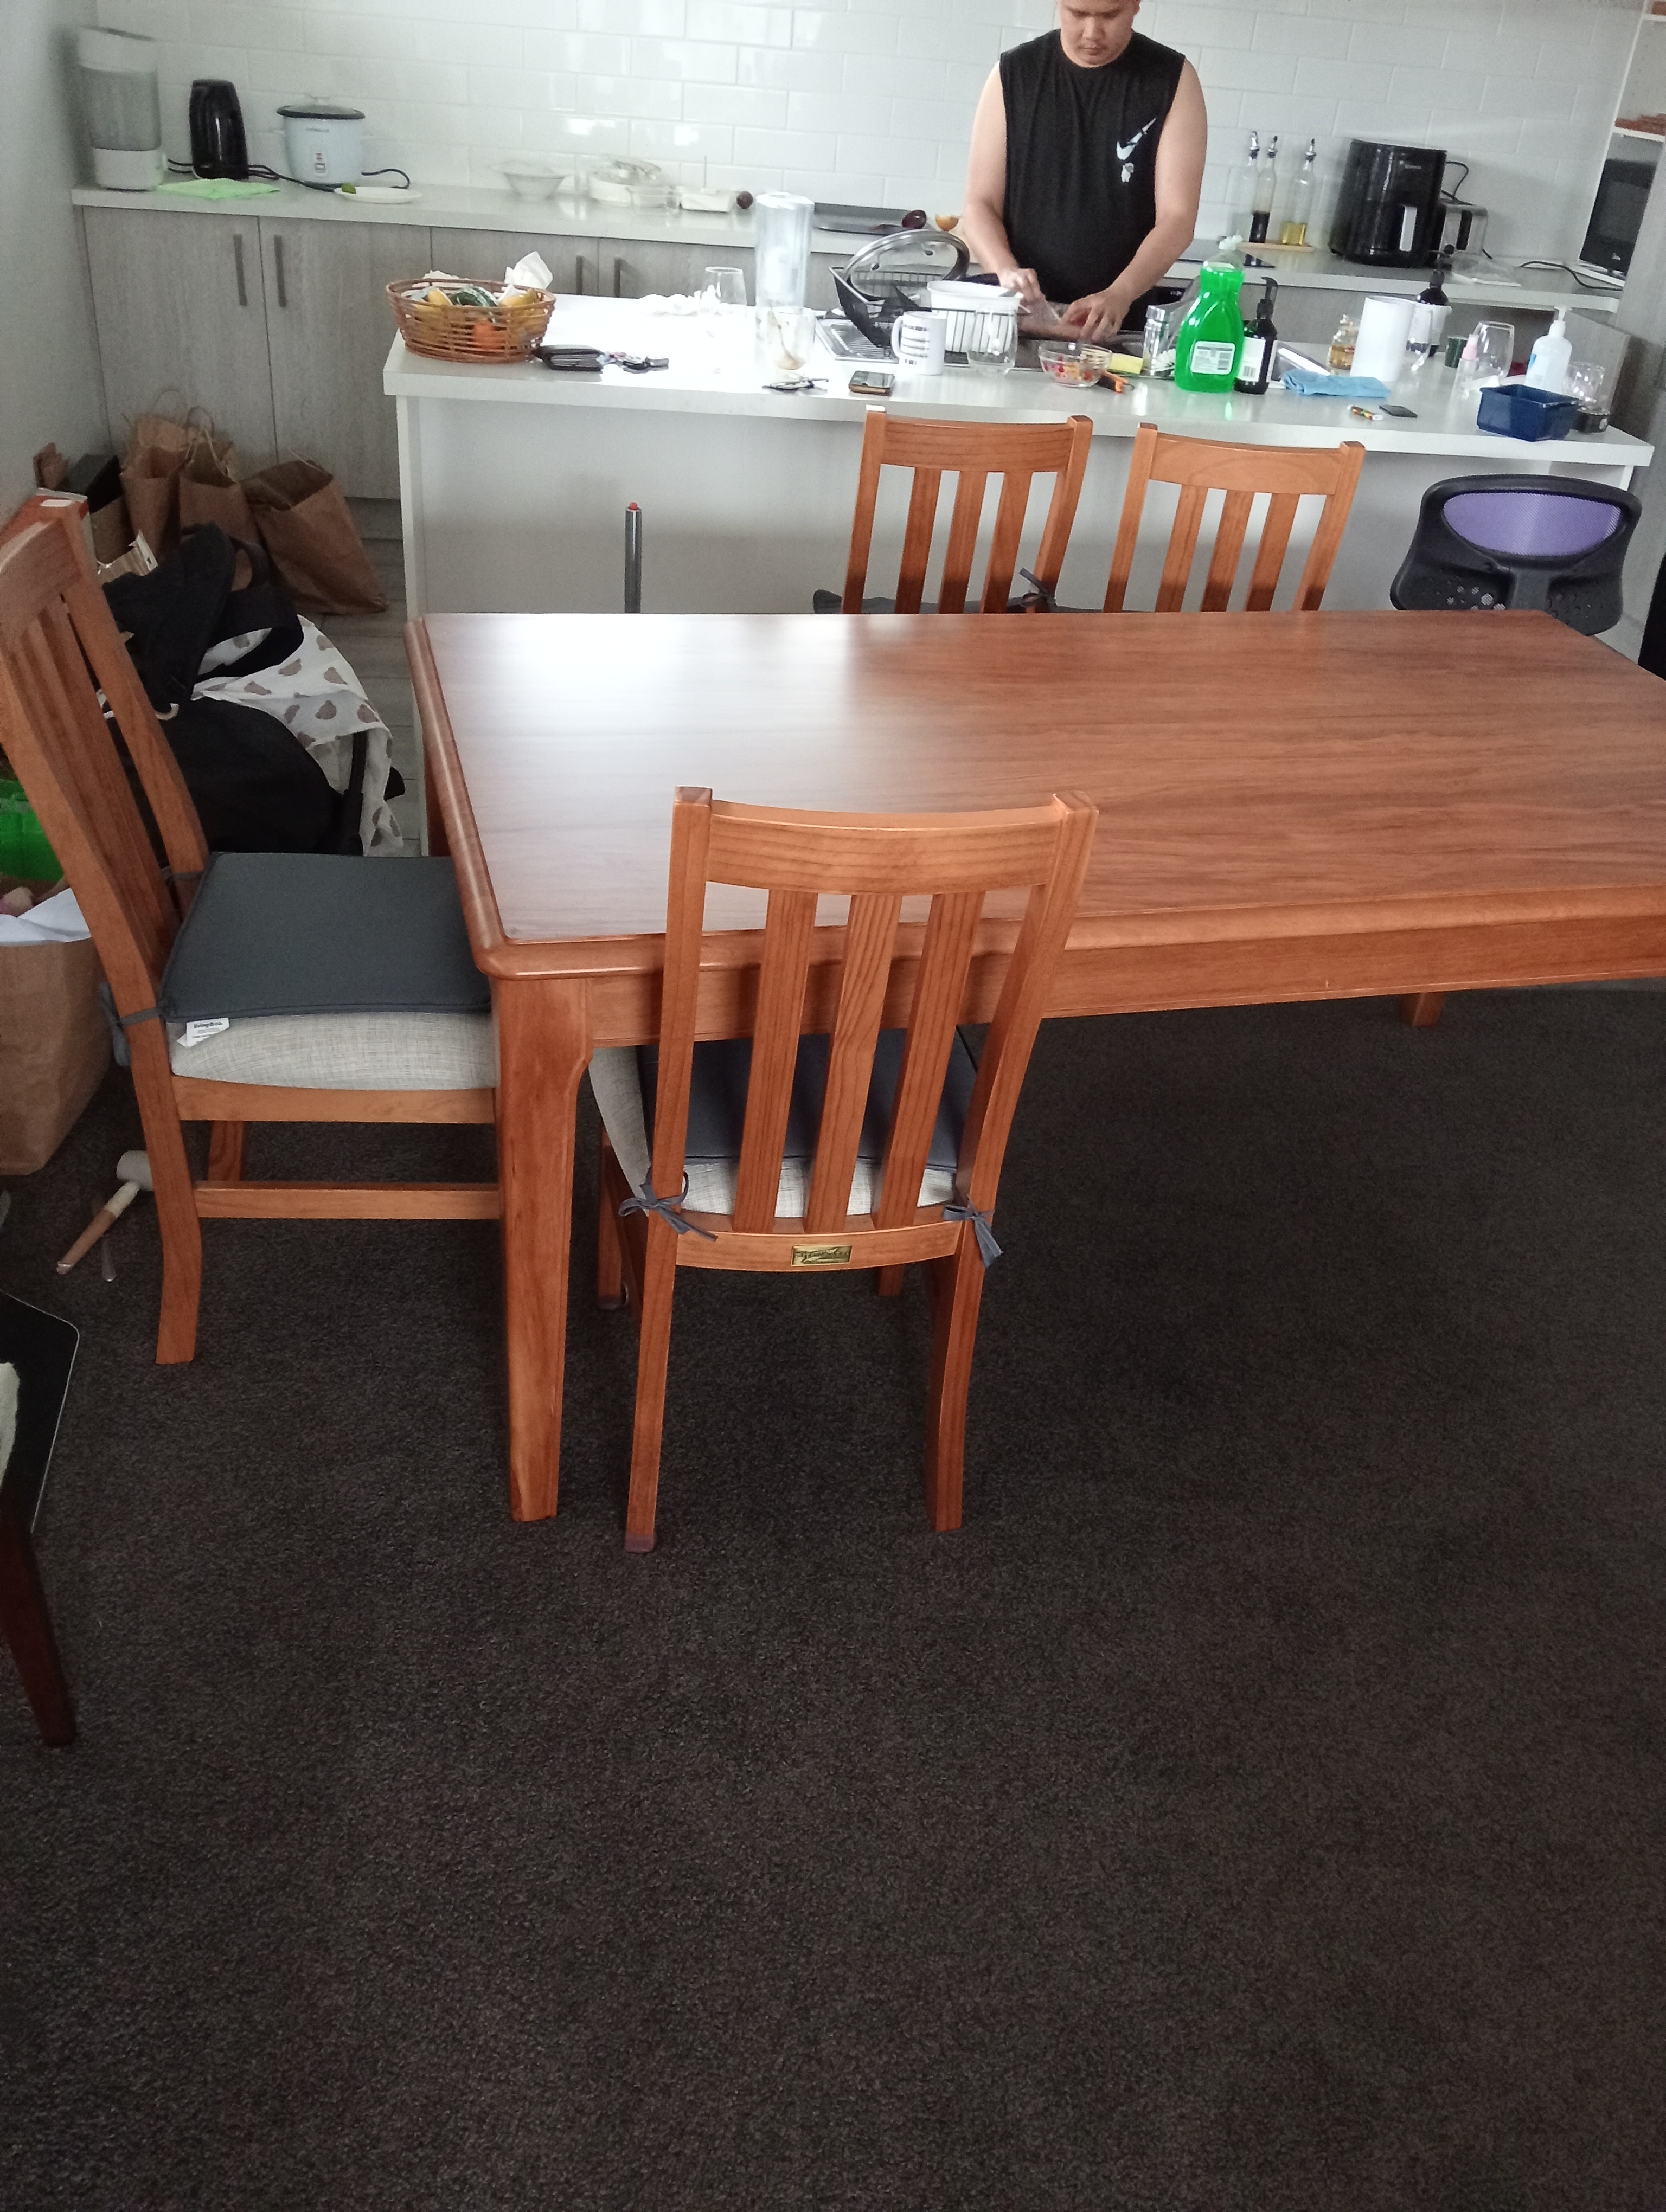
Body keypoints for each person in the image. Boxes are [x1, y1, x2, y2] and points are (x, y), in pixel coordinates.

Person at [960, 0, 1207, 343]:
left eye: (1109, 15)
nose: (1092, 33)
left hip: (1115, 326)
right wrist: (1006, 273)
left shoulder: (1172, 79)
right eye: (1077, 14)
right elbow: (979, 204)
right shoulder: (1014, 73)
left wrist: (1121, 292)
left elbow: (1178, 218)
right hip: (1019, 323)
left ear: (1135, 5)